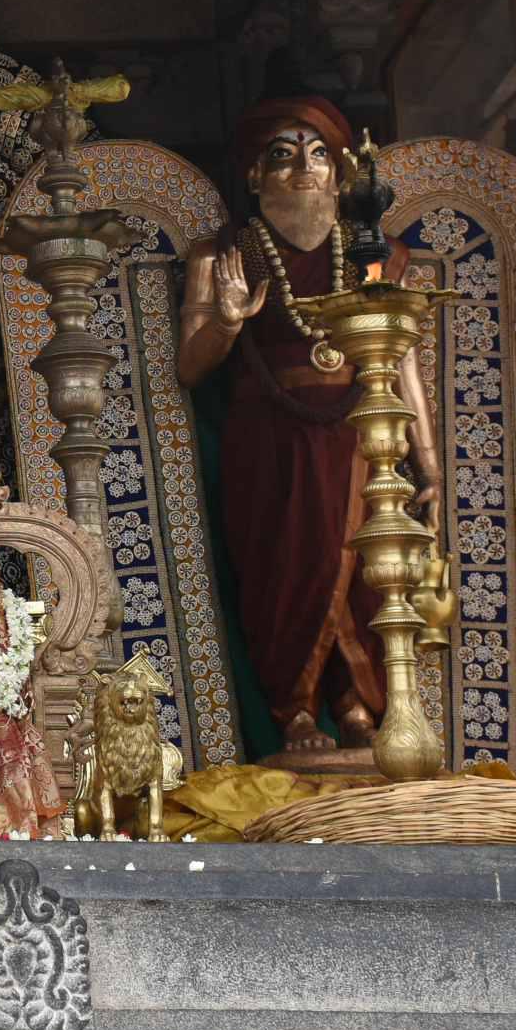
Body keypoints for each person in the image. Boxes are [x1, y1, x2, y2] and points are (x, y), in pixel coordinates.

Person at [174, 95, 436, 767]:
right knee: (286, 570)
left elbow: (399, 352)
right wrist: (227, 319)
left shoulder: (374, 253)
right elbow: (191, 367)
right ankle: (293, 709)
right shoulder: (224, 255)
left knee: (369, 569)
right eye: (283, 155)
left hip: (360, 433)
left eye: (319, 154)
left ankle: (358, 705)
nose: (303, 168)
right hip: (268, 441)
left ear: (341, 172)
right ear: (254, 173)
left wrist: (430, 462)